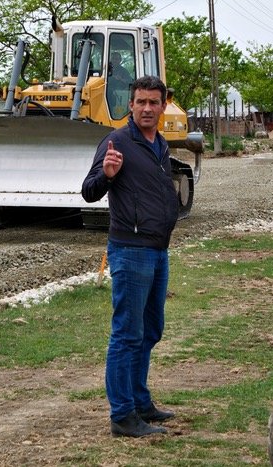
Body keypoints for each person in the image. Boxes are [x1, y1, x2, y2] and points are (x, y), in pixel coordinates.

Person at [82, 75, 178, 438]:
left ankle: (140, 401)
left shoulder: (161, 144)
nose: (147, 108)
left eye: (154, 102)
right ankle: (122, 415)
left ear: (163, 104)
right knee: (126, 334)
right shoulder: (116, 141)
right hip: (130, 250)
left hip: (158, 250)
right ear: (131, 104)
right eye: (141, 102)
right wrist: (107, 175)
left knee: (150, 331)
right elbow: (89, 191)